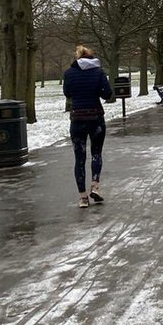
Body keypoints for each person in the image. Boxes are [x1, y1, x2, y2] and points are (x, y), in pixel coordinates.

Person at [62, 45, 113, 208]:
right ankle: (95, 187)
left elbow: (67, 93)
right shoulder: (98, 72)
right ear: (91, 58)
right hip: (96, 118)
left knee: (79, 158)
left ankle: (83, 197)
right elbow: (107, 93)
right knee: (96, 154)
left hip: (77, 119)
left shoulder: (69, 73)